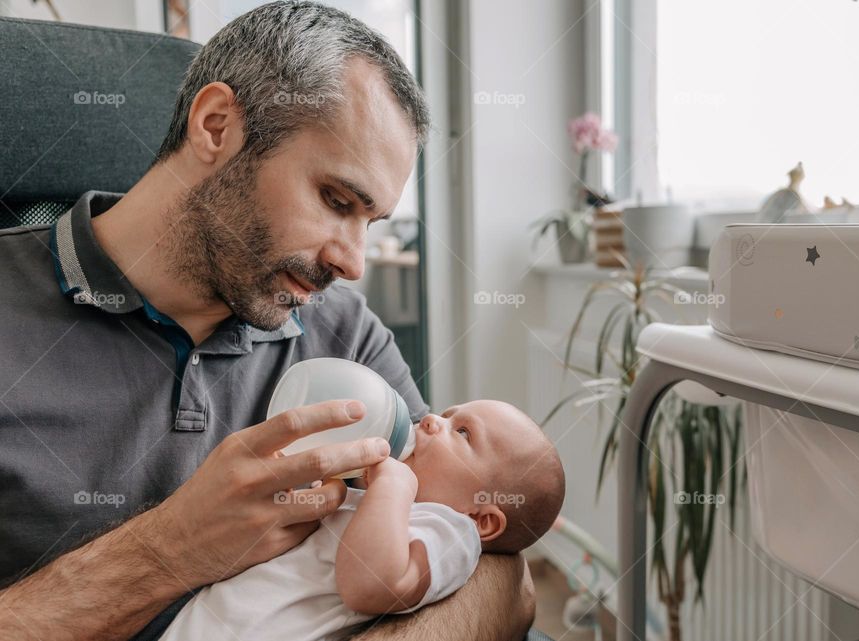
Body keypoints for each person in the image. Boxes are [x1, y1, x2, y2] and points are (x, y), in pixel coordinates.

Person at [0, 3, 537, 639]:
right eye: (337, 201)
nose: (353, 262)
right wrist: (168, 551)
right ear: (216, 125)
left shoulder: (343, 329)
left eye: (372, 222)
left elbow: (496, 568)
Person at [159, 401, 566, 640]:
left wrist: (394, 485)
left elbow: (370, 584)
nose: (431, 420)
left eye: (461, 433)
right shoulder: (392, 502)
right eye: (446, 412)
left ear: (483, 519)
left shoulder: (451, 534)